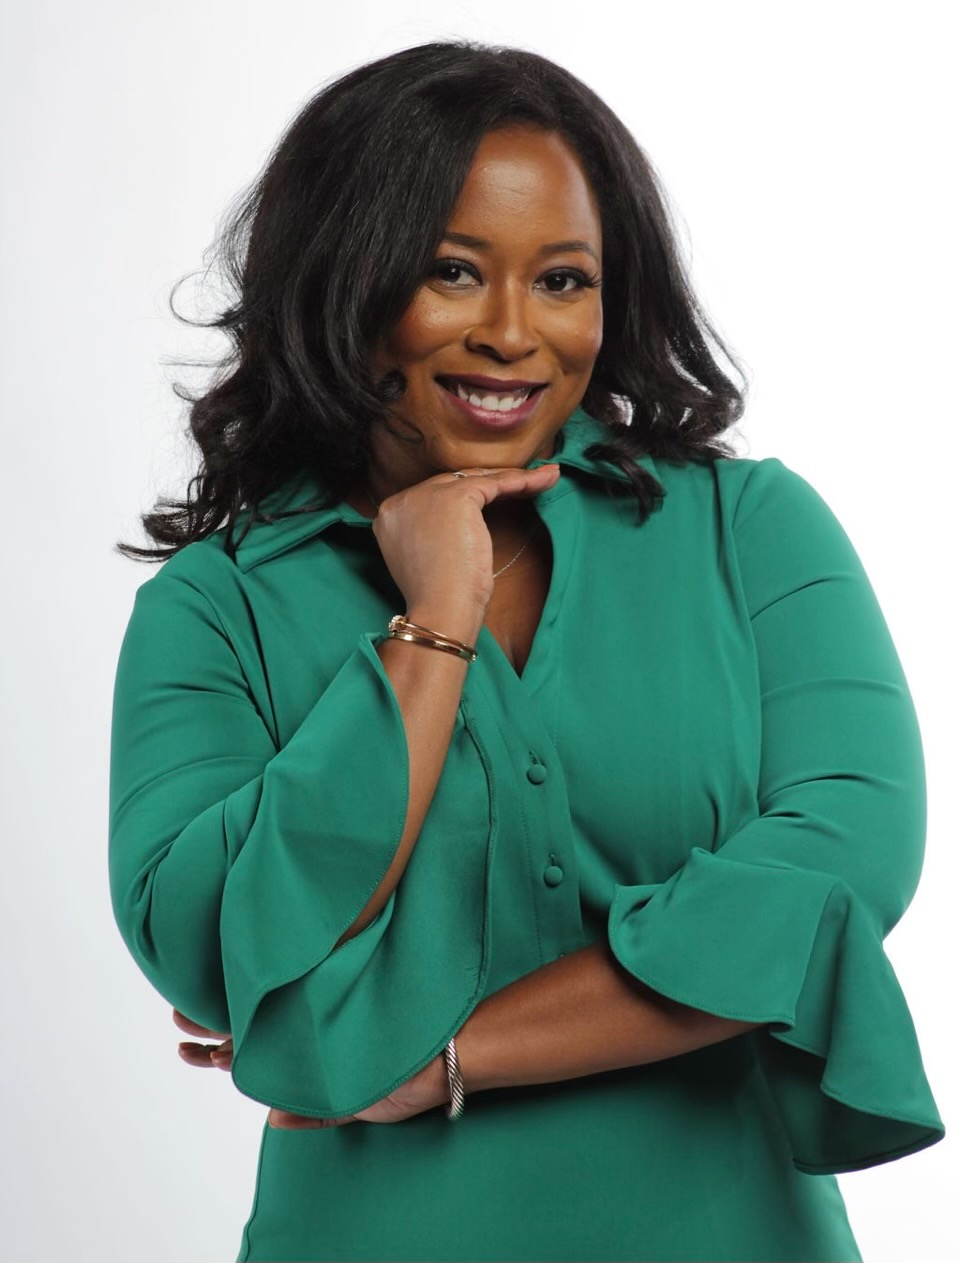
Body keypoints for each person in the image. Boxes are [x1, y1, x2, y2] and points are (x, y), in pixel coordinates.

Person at [108, 40, 944, 1263]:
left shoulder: (747, 530)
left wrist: (432, 1054)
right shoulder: (216, 606)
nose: (513, 335)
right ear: (345, 280)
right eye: (453, 271)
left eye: (563, 281)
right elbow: (211, 944)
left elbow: (842, 869)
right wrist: (433, 621)